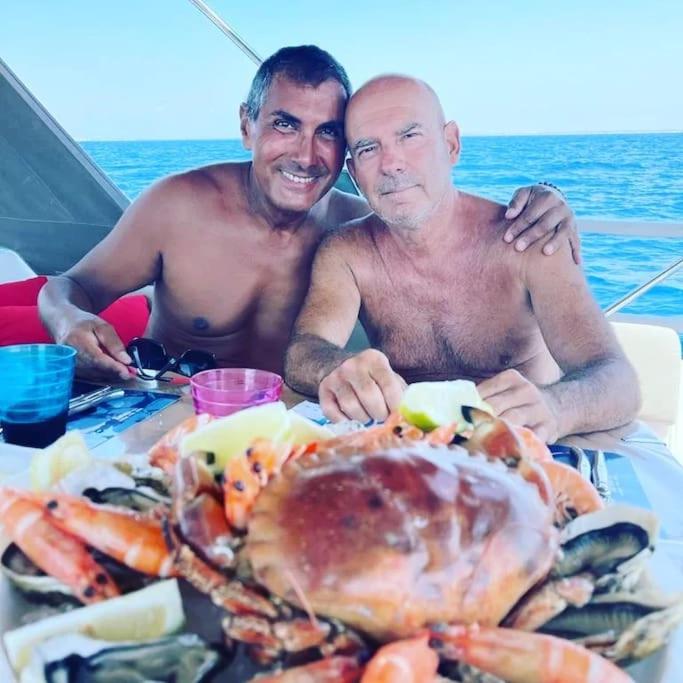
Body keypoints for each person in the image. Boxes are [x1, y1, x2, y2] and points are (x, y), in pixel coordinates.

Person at [39, 47, 578, 382]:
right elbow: (68, 287)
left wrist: (546, 199)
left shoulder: (356, 229)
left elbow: (437, 208)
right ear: (248, 126)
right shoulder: (176, 206)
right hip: (170, 409)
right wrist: (70, 323)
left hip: (288, 428)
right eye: (284, 124)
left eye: (328, 133)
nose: (305, 154)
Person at [284, 75, 640, 443]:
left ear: (451, 145)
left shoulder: (527, 239)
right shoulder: (347, 251)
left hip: (526, 447)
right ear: (355, 174)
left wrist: (556, 407)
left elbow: (618, 379)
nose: (391, 163)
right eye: (369, 149)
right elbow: (303, 351)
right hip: (408, 448)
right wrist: (338, 368)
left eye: (410, 136)